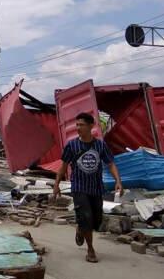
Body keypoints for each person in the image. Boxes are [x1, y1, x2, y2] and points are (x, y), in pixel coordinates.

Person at [53, 112, 123, 263]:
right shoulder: (72, 145)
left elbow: (110, 163)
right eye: (77, 125)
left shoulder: (100, 145)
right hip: (79, 187)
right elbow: (63, 166)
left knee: (96, 221)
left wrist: (118, 181)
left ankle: (81, 228)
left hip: (96, 188)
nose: (78, 128)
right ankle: (90, 249)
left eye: (82, 125)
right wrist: (56, 184)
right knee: (86, 217)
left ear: (91, 126)